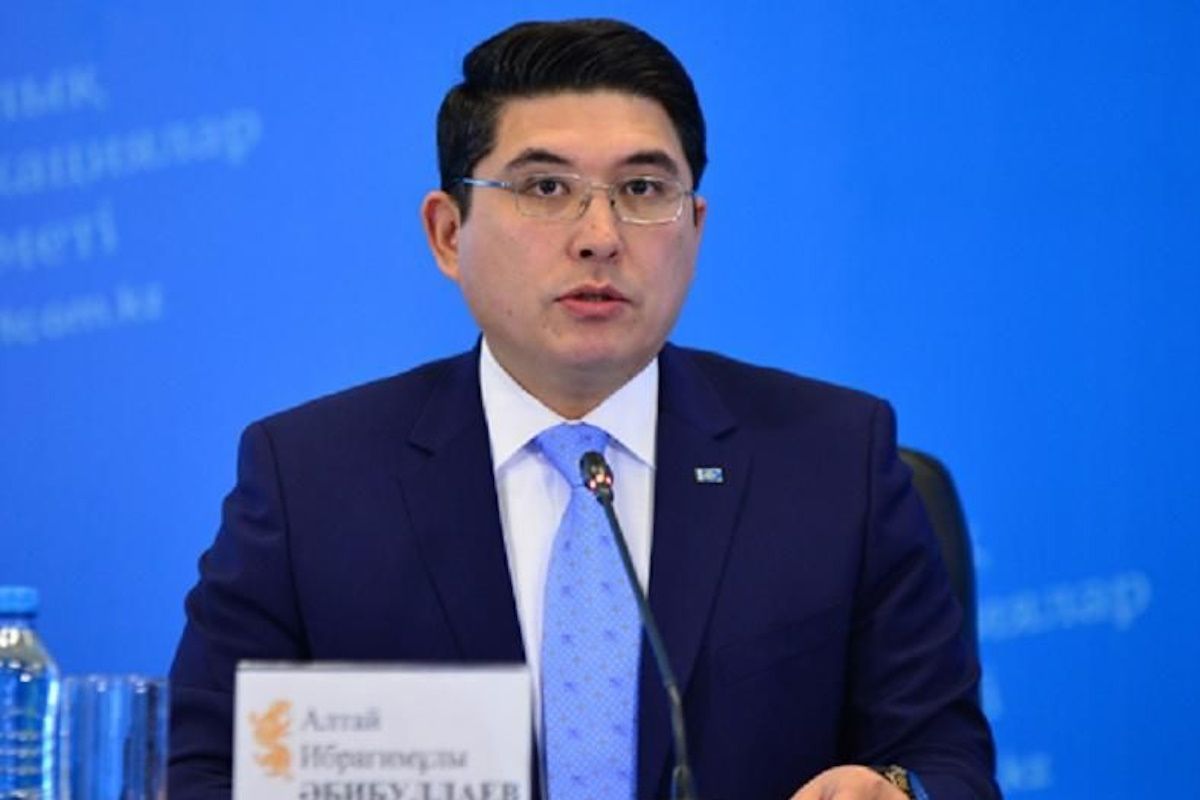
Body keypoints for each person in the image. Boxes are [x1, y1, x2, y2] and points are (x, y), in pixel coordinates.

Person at [169, 18, 998, 800]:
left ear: (695, 227)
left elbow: (946, 757)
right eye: (545, 186)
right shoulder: (312, 479)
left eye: (642, 188)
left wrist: (901, 790)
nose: (600, 234)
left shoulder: (832, 462)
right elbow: (199, 767)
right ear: (448, 233)